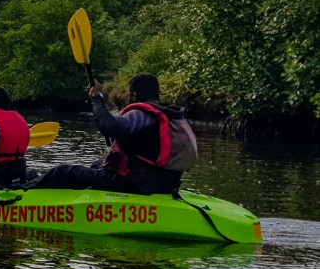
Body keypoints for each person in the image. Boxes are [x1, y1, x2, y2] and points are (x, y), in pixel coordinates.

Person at [31, 73, 197, 195]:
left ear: (134, 95)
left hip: (136, 184)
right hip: (167, 183)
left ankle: (23, 192)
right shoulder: (172, 115)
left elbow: (109, 127)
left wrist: (96, 99)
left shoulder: (140, 114)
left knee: (63, 171)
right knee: (97, 164)